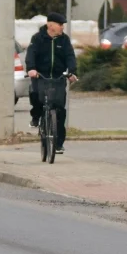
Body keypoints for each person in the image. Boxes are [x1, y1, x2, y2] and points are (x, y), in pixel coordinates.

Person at [25, 12, 77, 153]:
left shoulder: (64, 40)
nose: (62, 27)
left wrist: (72, 72)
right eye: (60, 25)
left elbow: (70, 57)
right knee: (35, 95)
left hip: (58, 78)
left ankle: (58, 143)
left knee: (60, 110)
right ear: (50, 25)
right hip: (40, 76)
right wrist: (31, 69)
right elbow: (31, 54)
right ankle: (36, 117)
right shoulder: (37, 38)